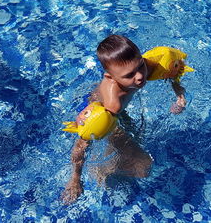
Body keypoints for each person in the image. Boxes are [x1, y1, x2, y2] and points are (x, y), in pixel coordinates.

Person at [61, 35, 189, 204]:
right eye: (129, 75)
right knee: (143, 167)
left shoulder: (144, 67)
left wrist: (179, 94)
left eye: (140, 66)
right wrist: (75, 179)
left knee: (137, 137)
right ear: (110, 78)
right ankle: (102, 171)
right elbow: (82, 143)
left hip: (120, 112)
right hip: (105, 116)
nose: (139, 77)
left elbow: (173, 71)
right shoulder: (112, 104)